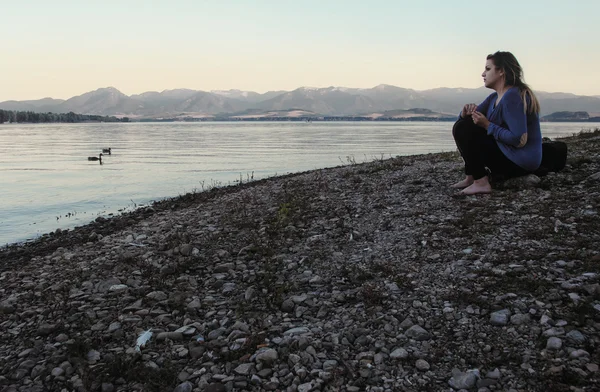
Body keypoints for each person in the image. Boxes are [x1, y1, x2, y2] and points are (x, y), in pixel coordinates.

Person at [451, 51, 542, 195]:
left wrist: (487, 125)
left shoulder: (513, 96)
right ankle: (472, 176)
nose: (483, 74)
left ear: (501, 71)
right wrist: (464, 113)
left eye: (488, 69)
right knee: (463, 125)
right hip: (507, 154)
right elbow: (465, 122)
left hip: (520, 163)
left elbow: (519, 140)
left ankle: (481, 183)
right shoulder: (494, 97)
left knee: (465, 127)